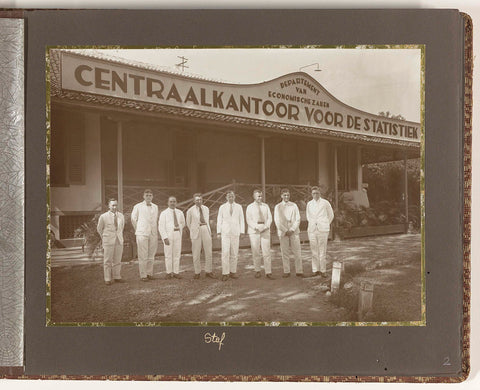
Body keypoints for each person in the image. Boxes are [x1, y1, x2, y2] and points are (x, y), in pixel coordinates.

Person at [274, 189, 303, 278]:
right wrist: (285, 230)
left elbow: (298, 218)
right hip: (283, 232)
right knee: (285, 252)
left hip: (293, 231)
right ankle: (286, 271)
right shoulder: (278, 207)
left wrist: (292, 229)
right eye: (284, 195)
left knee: (297, 251)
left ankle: (299, 271)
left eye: (288, 195)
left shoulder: (294, 205)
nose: (286, 197)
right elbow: (277, 220)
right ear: (281, 196)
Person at [131, 189, 159, 281]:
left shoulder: (155, 207)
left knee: (151, 254)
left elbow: (155, 220)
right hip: (142, 233)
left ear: (152, 197)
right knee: (143, 255)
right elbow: (133, 219)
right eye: (146, 195)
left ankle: (149, 273)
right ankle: (143, 275)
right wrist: (138, 229)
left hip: (153, 233)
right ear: (143, 196)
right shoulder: (138, 206)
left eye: (150, 195)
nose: (148, 197)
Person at [216, 191, 245, 281]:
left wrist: (242, 231)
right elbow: (219, 219)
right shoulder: (222, 207)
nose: (231, 198)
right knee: (225, 253)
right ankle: (225, 273)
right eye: (229, 196)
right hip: (225, 232)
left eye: (232, 196)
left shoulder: (239, 207)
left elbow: (242, 219)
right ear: (226, 197)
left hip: (235, 232)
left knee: (234, 253)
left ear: (234, 197)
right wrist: (219, 232)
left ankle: (233, 271)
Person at [306, 186, 334, 277]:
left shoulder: (325, 203)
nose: (315, 195)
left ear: (320, 193)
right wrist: (313, 224)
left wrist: (325, 223)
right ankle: (315, 270)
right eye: (313, 193)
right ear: (311, 194)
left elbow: (331, 215)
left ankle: (323, 270)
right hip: (312, 229)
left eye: (317, 193)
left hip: (323, 229)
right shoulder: (309, 204)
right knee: (314, 250)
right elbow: (308, 216)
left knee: (322, 251)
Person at [246, 189, 274, 279]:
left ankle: (268, 272)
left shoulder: (266, 206)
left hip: (265, 229)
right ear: (254, 196)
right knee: (256, 251)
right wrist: (256, 227)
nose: (260, 198)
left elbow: (270, 218)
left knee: (267, 251)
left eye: (261, 196)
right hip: (255, 231)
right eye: (258, 196)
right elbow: (248, 219)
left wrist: (266, 226)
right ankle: (257, 270)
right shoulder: (250, 207)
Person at [97, 198, 125, 285]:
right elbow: (99, 229)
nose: (114, 207)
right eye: (112, 205)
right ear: (109, 206)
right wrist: (105, 237)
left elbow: (121, 228)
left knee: (117, 260)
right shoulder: (103, 216)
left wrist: (118, 236)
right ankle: (107, 278)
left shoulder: (121, 216)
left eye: (116, 205)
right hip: (108, 241)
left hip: (118, 240)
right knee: (108, 260)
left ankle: (117, 277)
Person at [186, 193, 214, 279]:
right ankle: (197, 272)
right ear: (194, 200)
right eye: (197, 200)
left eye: (200, 200)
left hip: (205, 229)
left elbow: (207, 220)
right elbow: (188, 223)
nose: (199, 201)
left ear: (202, 200)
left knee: (208, 251)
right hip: (196, 231)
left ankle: (208, 271)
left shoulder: (206, 209)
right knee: (196, 252)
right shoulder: (190, 211)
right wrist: (194, 230)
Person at [158, 196, 185, 279]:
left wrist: (179, 229)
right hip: (168, 235)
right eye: (171, 201)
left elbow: (183, 223)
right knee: (168, 254)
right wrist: (165, 237)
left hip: (177, 234)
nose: (172, 203)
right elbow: (161, 226)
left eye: (174, 201)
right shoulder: (164, 213)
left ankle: (176, 272)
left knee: (177, 254)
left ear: (176, 203)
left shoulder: (180, 212)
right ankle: (169, 272)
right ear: (168, 203)